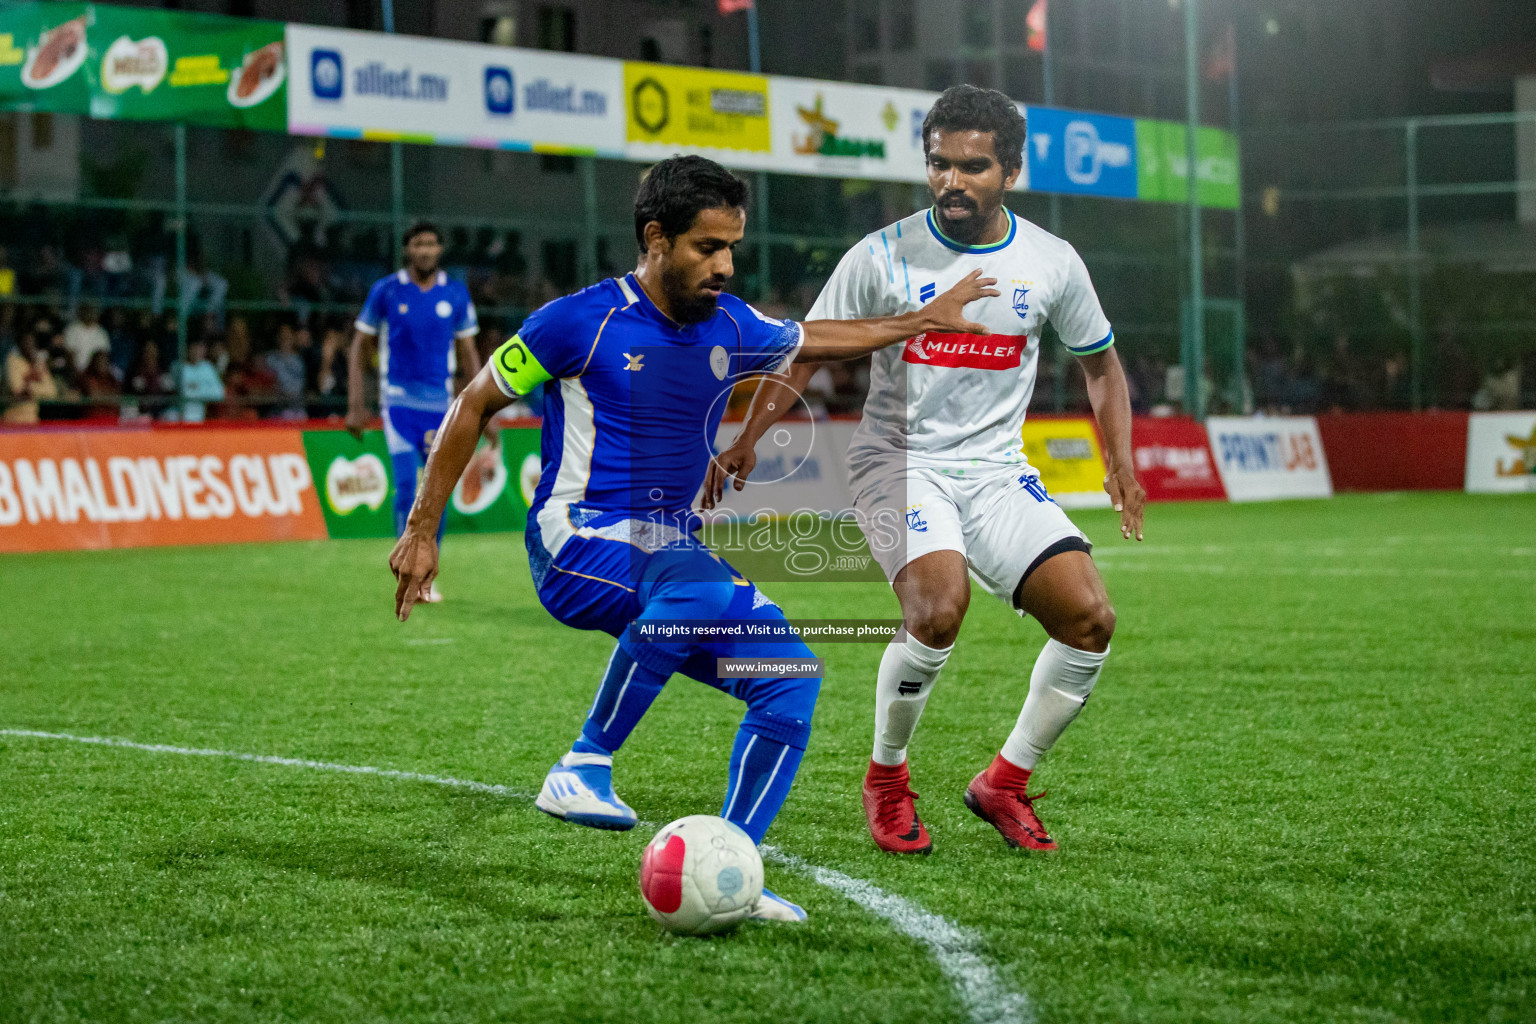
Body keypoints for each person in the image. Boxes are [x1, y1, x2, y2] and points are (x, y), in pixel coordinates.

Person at [387, 155, 996, 921]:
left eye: (733, 248)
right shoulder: (579, 320)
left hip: (665, 559)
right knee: (699, 578)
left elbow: (819, 337)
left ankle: (733, 868)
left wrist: (916, 320)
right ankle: (584, 763)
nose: (725, 265)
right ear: (655, 238)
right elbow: (473, 402)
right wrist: (421, 530)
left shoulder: (735, 324)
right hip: (576, 542)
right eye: (708, 247)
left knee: (789, 677)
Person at [705, 86, 1147, 855]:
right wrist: (749, 437)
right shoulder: (881, 254)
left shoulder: (1051, 262)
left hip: (997, 470)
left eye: (973, 167)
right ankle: (886, 778)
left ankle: (1003, 782)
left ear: (1010, 170)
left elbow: (1101, 367)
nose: (952, 181)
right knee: (936, 611)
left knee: (1089, 621)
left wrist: (1122, 463)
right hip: (897, 462)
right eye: (940, 164)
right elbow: (808, 349)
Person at [349, 222, 482, 603]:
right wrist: (356, 403)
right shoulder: (387, 290)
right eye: (418, 244)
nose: (425, 250)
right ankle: (406, 572)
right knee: (407, 486)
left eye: (431, 244)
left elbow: (469, 352)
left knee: (436, 494)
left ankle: (425, 577)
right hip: (398, 404)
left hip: (440, 408)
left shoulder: (455, 293)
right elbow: (360, 345)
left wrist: (484, 406)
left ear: (440, 249)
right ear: (408, 249)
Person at [4, 328, 59, 424]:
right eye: (26, 342)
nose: (29, 345)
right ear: (19, 344)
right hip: (12, 419)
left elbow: (51, 391)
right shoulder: (12, 361)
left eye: (31, 342)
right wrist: (34, 381)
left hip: (32, 419)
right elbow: (17, 389)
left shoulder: (38, 363)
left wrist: (31, 387)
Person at [172, 337, 226, 423]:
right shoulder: (178, 367)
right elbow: (186, 393)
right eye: (194, 348)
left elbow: (219, 393)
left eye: (199, 348)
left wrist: (197, 387)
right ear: (188, 349)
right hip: (180, 413)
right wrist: (206, 388)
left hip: (202, 413)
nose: (196, 351)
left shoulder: (208, 367)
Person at [62, 303, 109, 373]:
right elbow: (70, 353)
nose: (90, 314)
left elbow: (103, 354)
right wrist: (76, 372)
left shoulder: (101, 332)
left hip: (94, 373)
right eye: (87, 311)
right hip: (76, 371)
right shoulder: (72, 329)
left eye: (92, 312)